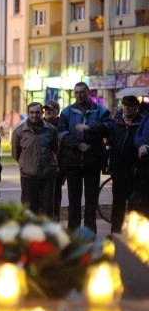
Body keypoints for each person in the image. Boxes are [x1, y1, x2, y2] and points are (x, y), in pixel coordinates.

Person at [57, 82, 111, 232]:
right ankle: (73, 231)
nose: (79, 95)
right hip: (72, 162)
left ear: (88, 92)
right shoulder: (67, 111)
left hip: (93, 162)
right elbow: (61, 133)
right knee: (74, 200)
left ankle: (89, 231)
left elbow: (109, 128)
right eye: (76, 92)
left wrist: (89, 128)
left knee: (91, 201)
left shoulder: (100, 110)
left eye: (82, 92)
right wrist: (77, 144)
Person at [12, 102, 58, 217]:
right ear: (27, 113)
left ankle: (46, 234)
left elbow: (55, 149)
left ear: (42, 113)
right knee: (29, 210)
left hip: (47, 175)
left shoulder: (51, 130)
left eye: (37, 112)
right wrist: (26, 165)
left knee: (47, 209)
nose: (34, 115)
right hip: (28, 176)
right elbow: (16, 153)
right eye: (31, 112)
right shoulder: (19, 132)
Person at [104, 95, 141, 234]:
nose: (128, 108)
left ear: (137, 107)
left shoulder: (141, 123)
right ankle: (115, 233)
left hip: (136, 170)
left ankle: (133, 235)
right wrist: (108, 162)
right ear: (122, 106)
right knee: (118, 205)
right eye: (125, 105)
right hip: (118, 169)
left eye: (131, 106)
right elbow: (109, 143)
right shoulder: (115, 122)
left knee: (135, 205)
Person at [43, 100, 64, 221]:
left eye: (50, 110)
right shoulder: (41, 124)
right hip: (42, 168)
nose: (47, 113)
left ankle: (55, 222)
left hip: (58, 169)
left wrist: (63, 171)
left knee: (55, 197)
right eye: (46, 110)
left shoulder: (62, 125)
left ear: (57, 112)